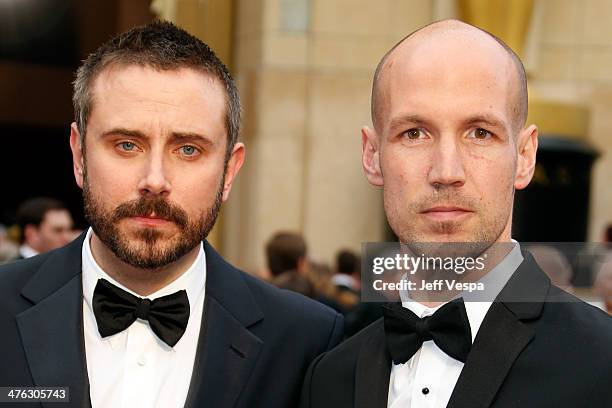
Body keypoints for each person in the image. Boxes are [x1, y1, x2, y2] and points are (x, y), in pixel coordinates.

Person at [0, 22, 343, 408]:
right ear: (79, 156)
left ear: (229, 171)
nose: (155, 180)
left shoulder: (305, 340)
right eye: (127, 144)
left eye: (188, 150)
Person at [300, 20, 612, 408]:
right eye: (414, 133)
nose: (446, 171)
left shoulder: (603, 363)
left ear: (525, 157)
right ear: (372, 155)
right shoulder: (329, 379)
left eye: (480, 132)